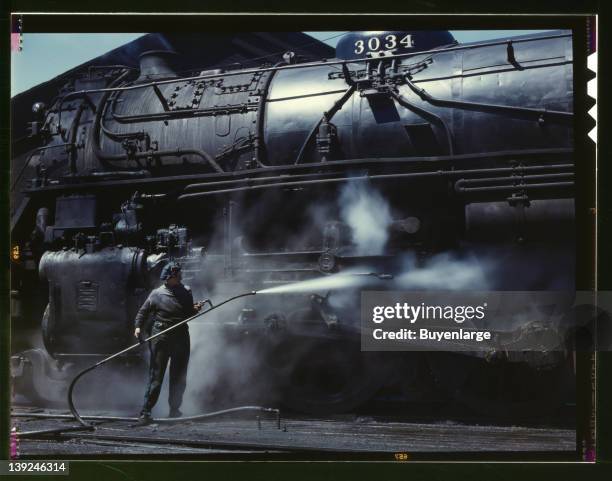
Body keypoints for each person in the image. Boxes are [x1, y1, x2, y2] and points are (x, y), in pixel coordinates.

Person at [133, 262, 203, 425]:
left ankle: (174, 410)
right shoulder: (156, 294)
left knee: (179, 376)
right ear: (171, 277)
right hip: (161, 337)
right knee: (156, 376)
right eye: (177, 274)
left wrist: (195, 309)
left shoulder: (186, 292)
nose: (180, 276)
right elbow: (143, 312)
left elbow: (187, 314)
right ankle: (145, 412)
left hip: (181, 336)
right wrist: (137, 327)